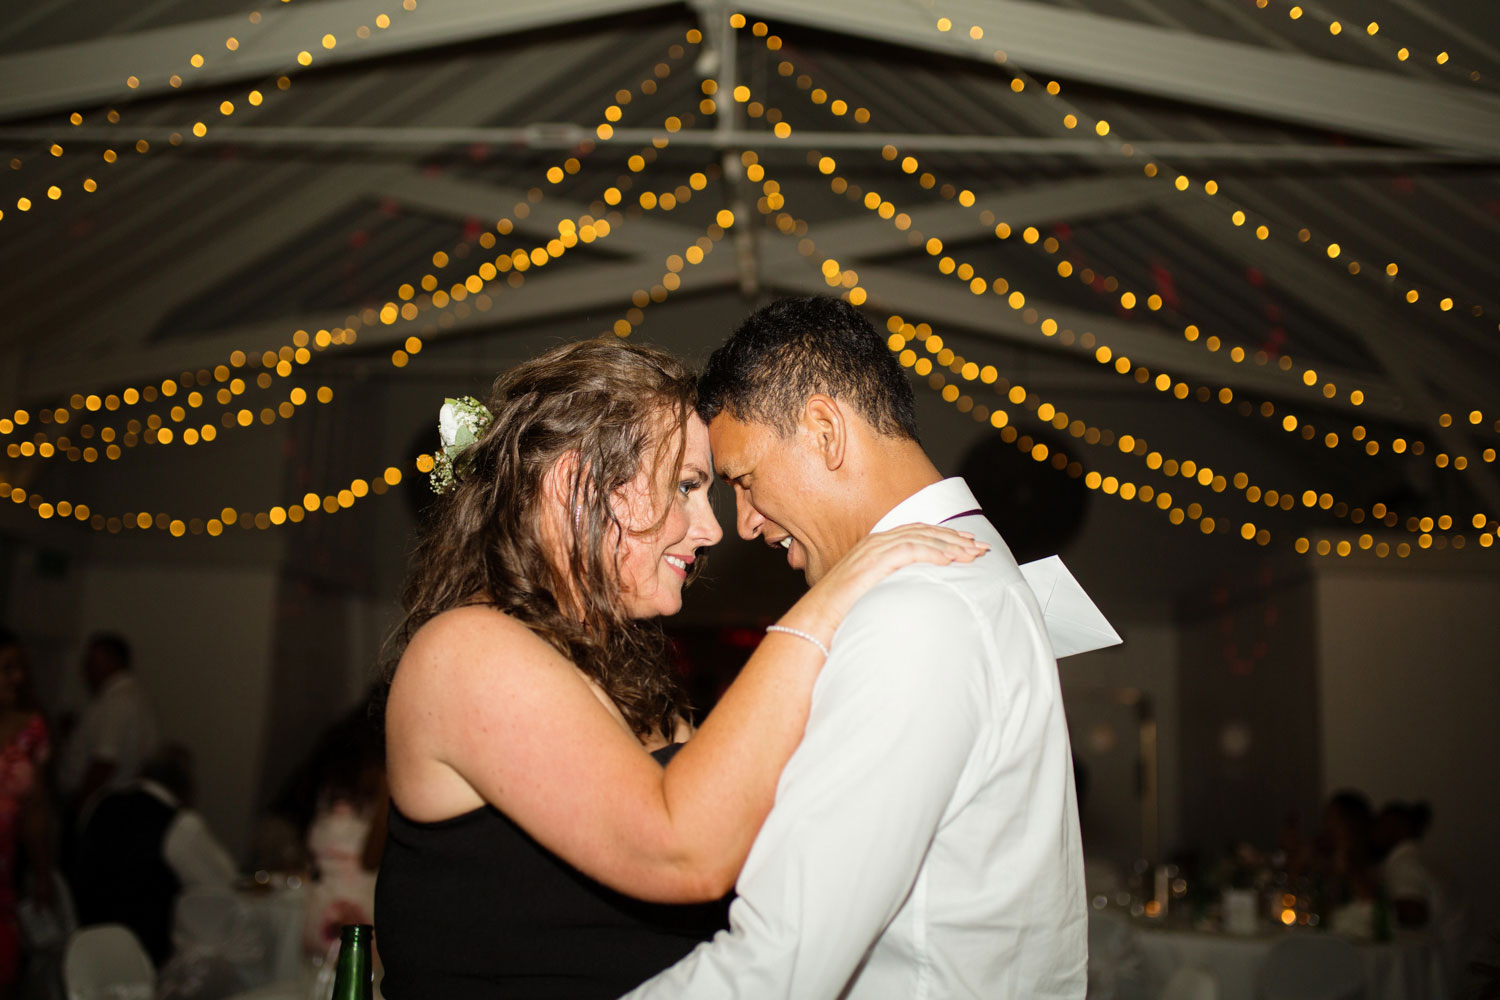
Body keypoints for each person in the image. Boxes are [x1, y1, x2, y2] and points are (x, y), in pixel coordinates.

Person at [374, 338, 985, 999]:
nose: (712, 529)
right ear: (575, 484)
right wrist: (825, 604)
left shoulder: (626, 672)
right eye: (688, 486)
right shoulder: (467, 652)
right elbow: (680, 850)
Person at [628, 295, 1089, 998]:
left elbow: (783, 962)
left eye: (744, 482)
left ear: (823, 431)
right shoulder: (969, 573)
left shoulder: (918, 611)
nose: (744, 525)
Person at [72, 744, 238, 966]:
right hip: (146, 958)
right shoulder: (179, 824)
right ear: (185, 787)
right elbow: (225, 884)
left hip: (87, 945)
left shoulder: (100, 802)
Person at [0, 629, 55, 1000]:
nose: (17, 678)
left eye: (19, 668)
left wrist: (42, 873)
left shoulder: (30, 731)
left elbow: (37, 812)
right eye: (6, 668)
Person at [57, 632, 159, 823]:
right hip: (115, 807)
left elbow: (104, 762)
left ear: (112, 661)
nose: (86, 669)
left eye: (91, 661)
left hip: (101, 810)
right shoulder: (130, 696)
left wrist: (80, 807)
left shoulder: (118, 701)